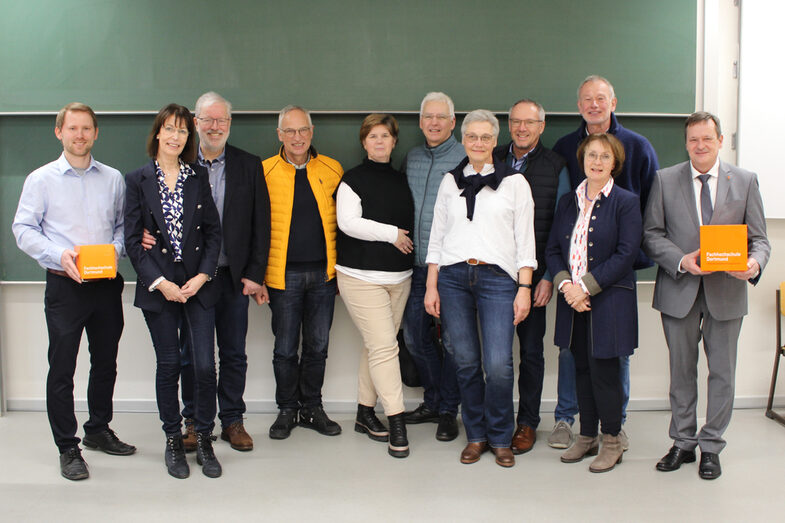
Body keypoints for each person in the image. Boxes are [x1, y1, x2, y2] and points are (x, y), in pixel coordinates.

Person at [643, 112, 770, 480]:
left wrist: (753, 265)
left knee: (723, 374)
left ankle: (711, 446)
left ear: (720, 141)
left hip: (727, 292)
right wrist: (681, 260)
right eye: (693, 139)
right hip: (680, 289)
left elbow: (760, 240)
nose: (700, 145)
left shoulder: (745, 181)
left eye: (707, 139)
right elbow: (652, 235)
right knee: (681, 372)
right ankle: (682, 442)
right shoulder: (665, 180)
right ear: (686, 143)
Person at [141, 92, 270, 452]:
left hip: (231, 276)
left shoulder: (248, 165)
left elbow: (262, 224)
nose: (215, 127)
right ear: (195, 123)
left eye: (222, 121)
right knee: (192, 356)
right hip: (189, 279)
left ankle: (232, 420)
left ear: (230, 124)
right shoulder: (178, 165)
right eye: (208, 120)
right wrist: (143, 233)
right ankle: (195, 423)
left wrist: (254, 273)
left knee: (233, 353)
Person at [12, 102, 135, 481]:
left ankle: (98, 429)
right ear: (59, 133)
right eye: (73, 128)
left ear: (96, 133)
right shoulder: (41, 179)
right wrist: (58, 253)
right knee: (63, 367)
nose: (79, 135)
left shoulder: (113, 178)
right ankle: (68, 446)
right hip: (65, 286)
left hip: (105, 285)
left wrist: (114, 251)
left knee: (106, 362)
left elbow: (121, 228)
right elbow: (23, 229)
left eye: (86, 129)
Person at [551, 74, 660, 448]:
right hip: (573, 287)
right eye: (586, 99)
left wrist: (589, 284)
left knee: (612, 361)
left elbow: (646, 218)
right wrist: (569, 286)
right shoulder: (565, 153)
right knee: (576, 359)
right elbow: (556, 242)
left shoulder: (639, 150)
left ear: (614, 102)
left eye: (601, 98)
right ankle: (578, 426)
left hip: (614, 278)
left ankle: (615, 428)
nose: (593, 104)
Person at [425, 110, 536, 468]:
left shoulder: (514, 183)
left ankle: (502, 437)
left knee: (499, 364)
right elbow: (437, 237)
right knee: (465, 361)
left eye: (485, 137)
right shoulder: (449, 181)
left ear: (494, 141)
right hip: (454, 278)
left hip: (498, 281)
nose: (477, 143)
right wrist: (431, 285)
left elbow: (525, 241)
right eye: (471, 136)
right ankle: (476, 436)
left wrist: (524, 287)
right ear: (463, 137)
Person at [124, 103, 223, 479]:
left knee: (202, 366)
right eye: (169, 129)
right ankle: (172, 440)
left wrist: (202, 277)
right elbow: (133, 240)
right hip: (158, 287)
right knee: (168, 365)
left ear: (189, 137)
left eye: (182, 131)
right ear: (157, 133)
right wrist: (161, 283)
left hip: (197, 285)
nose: (175, 137)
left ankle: (203, 437)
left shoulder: (198, 176)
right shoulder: (137, 180)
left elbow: (213, 233)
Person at [546, 133, 641, 473]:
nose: (596, 162)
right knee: (580, 369)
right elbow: (554, 250)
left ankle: (612, 441)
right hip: (572, 300)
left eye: (604, 157)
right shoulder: (568, 202)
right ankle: (586, 436)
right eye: (591, 155)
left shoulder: (626, 202)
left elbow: (626, 253)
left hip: (609, 300)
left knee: (604, 371)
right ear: (582, 159)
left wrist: (585, 287)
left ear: (614, 162)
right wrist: (567, 286)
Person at [260, 105, 344, 440]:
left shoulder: (333, 169)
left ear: (311, 132)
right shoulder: (263, 171)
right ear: (279, 135)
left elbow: (347, 224)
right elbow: (254, 228)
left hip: (323, 277)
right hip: (282, 278)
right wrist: (258, 277)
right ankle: (286, 409)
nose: (297, 137)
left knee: (318, 346)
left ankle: (312, 407)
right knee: (284, 348)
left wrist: (341, 273)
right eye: (289, 131)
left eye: (303, 130)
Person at [335, 114, 415, 458]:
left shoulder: (402, 179)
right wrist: (392, 234)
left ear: (394, 141)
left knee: (377, 346)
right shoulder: (352, 180)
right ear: (364, 142)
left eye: (385, 136)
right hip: (360, 277)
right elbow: (348, 222)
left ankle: (364, 413)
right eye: (372, 136)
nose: (379, 141)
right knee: (385, 348)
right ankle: (396, 420)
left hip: (400, 278)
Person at [492, 99, 569, 453]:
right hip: (492, 274)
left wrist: (549, 276)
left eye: (529, 123)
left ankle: (527, 423)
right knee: (494, 353)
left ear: (541, 126)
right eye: (516, 122)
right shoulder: (489, 156)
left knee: (531, 353)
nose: (522, 128)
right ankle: (497, 421)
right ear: (508, 124)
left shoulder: (556, 165)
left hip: (534, 276)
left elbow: (562, 225)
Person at [401, 92, 464, 441]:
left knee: (454, 342)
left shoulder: (465, 157)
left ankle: (448, 410)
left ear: (453, 122)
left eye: (442, 117)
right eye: (429, 117)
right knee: (414, 335)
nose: (435, 123)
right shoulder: (410, 158)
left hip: (452, 269)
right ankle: (434, 399)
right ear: (421, 122)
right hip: (415, 266)